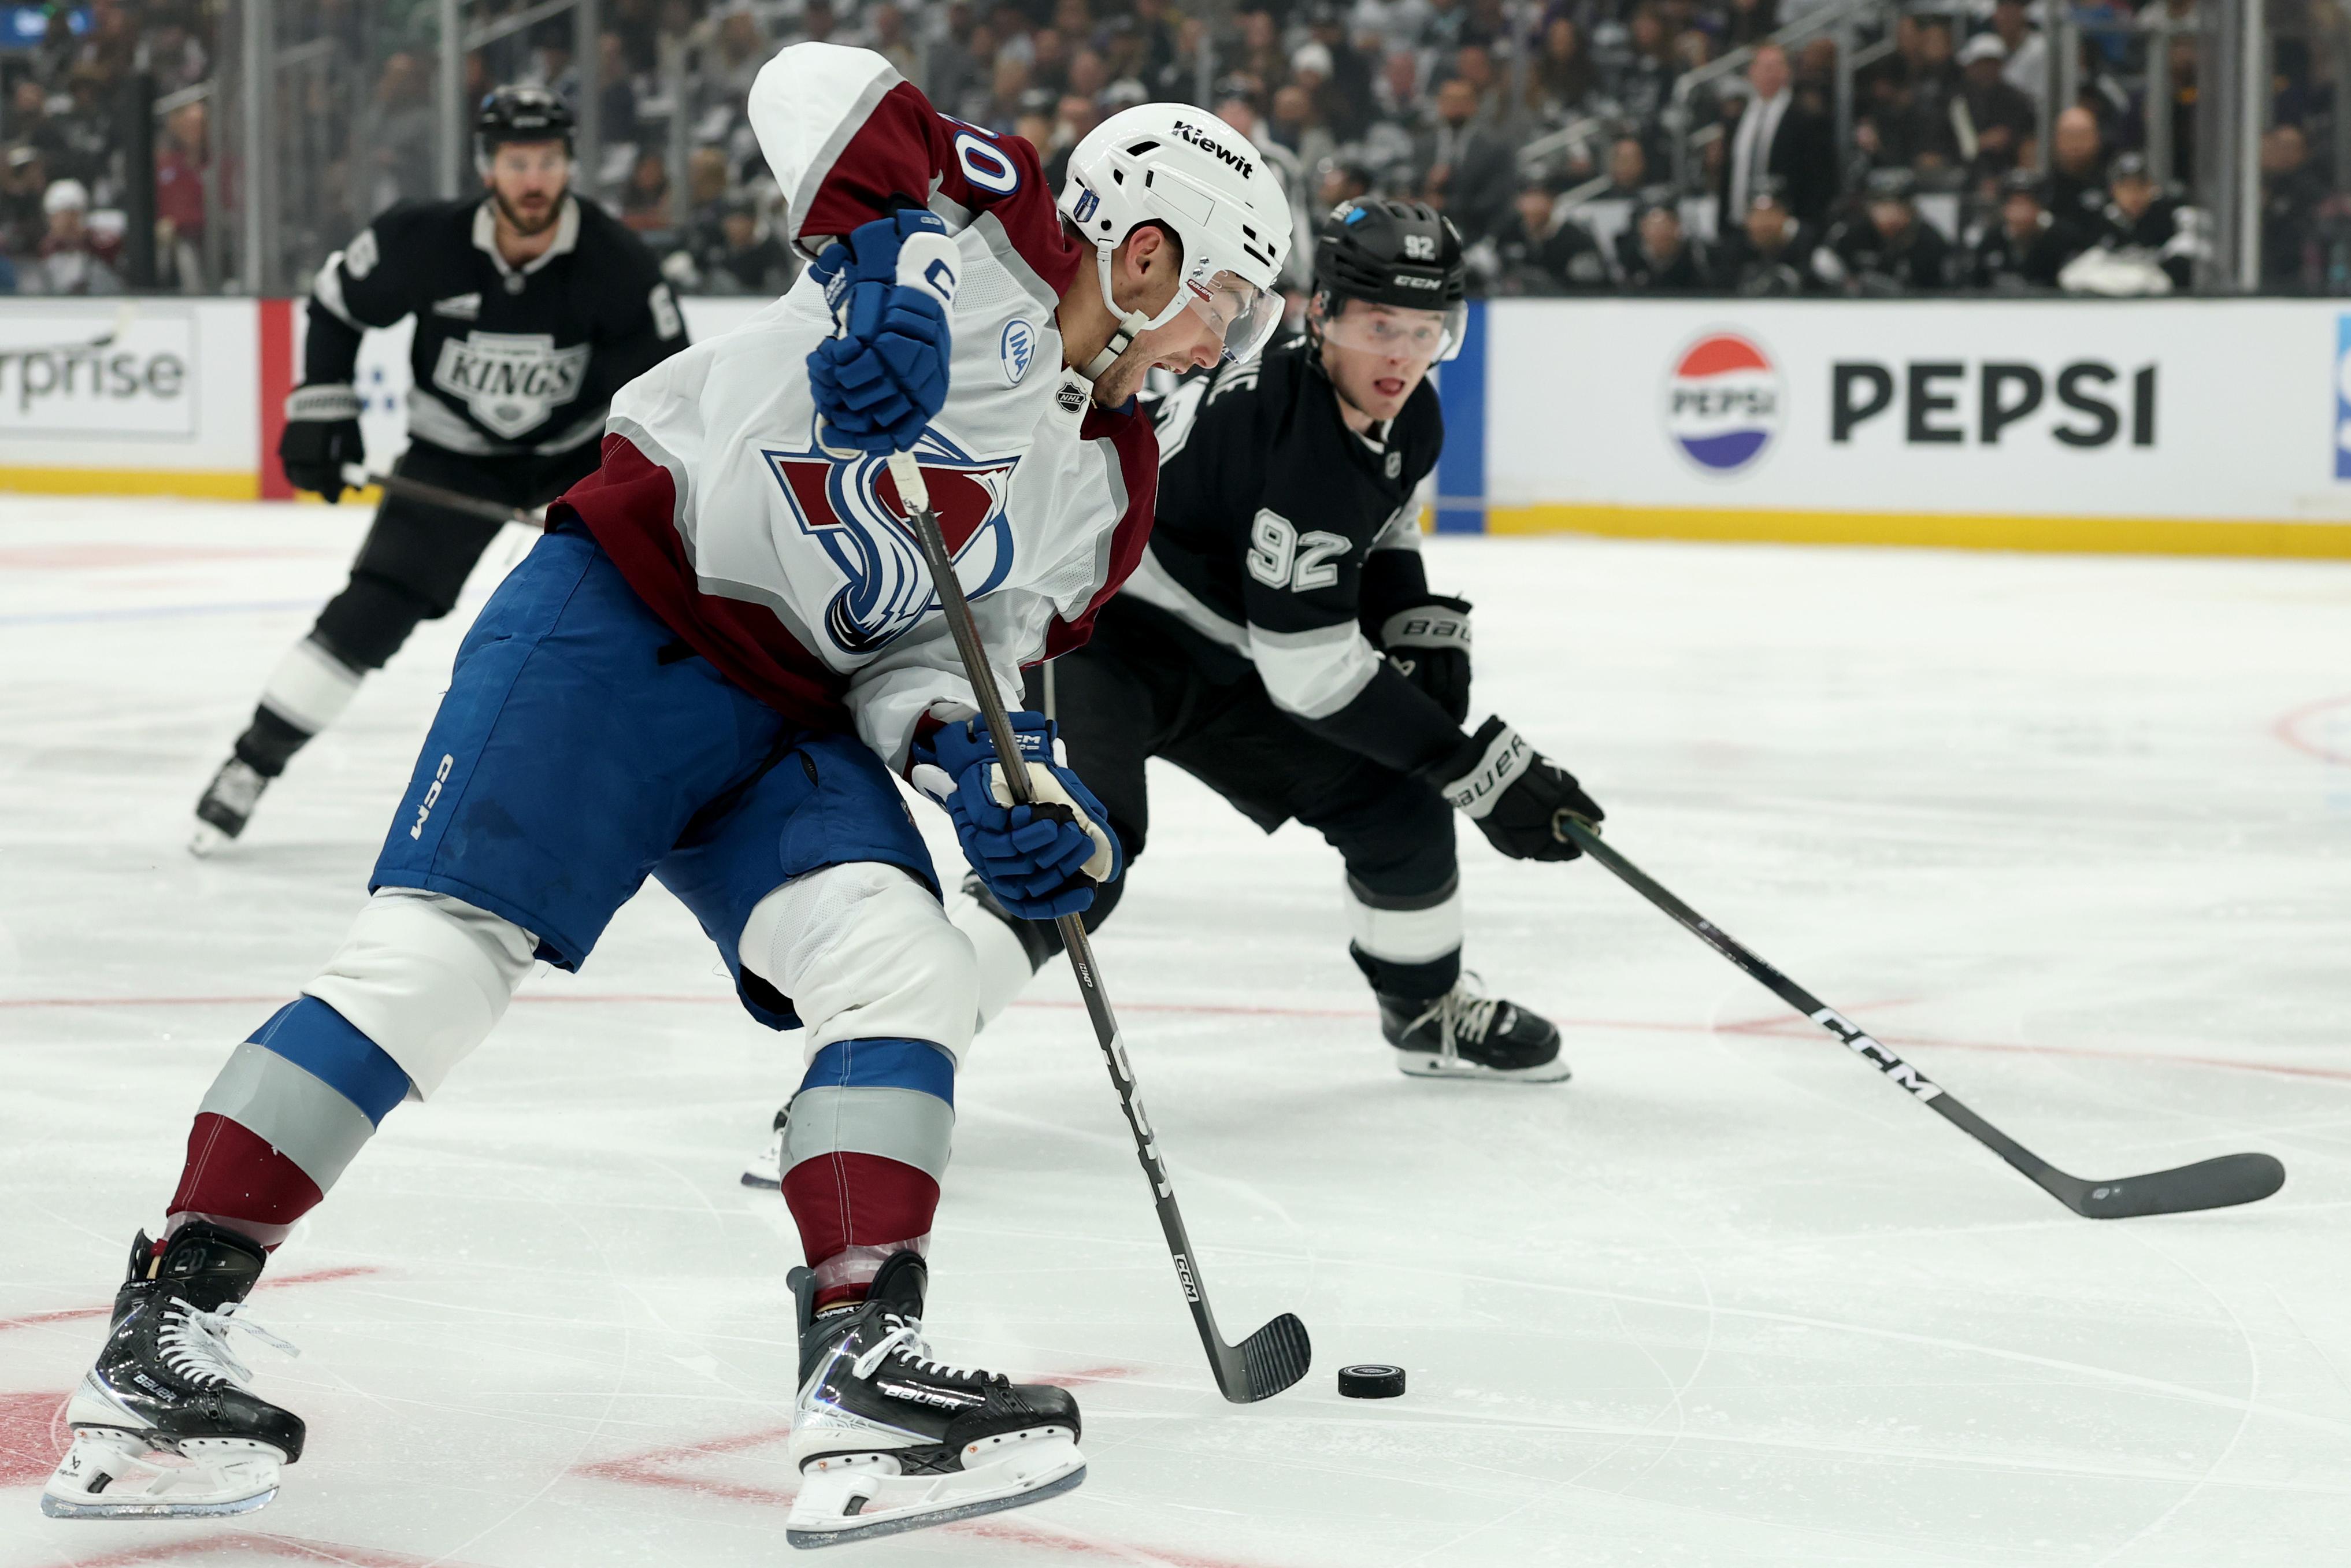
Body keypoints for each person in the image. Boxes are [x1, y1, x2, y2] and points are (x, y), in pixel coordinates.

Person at [42, 42, 1289, 1547]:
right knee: (437, 963)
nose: (1229, 340)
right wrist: (883, 266)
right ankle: (160, 1334)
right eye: (1226, 297)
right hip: (625, 608)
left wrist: (989, 779)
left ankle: (863, 1366)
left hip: (788, 711)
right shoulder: (995, 223)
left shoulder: (1110, 479)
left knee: (898, 960)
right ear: (1146, 252)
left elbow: (939, 652)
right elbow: (813, 83)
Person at [188, 87, 688, 854]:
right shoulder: (426, 239)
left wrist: (632, 498)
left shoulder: (617, 263)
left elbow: (663, 387)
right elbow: (337, 303)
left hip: (576, 459)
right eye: (517, 162)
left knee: (622, 619)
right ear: (487, 166)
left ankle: (667, 790)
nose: (533, 180)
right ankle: (250, 763)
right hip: (454, 455)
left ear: (570, 166)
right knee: (371, 611)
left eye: (548, 162)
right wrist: (321, 409)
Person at [1719, 43, 1836, 231]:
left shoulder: (1805, 119)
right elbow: (1728, 174)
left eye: (1775, 66)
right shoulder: (1737, 120)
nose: (1769, 73)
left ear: (1787, 72)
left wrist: (1807, 226)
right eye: (1763, 67)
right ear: (1751, 72)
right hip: (1740, 226)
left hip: (1788, 225)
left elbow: (1819, 177)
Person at [1814, 167, 1950, 294]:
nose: (1888, 212)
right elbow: (1824, 273)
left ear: (1911, 208)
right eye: (1881, 204)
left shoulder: (1930, 242)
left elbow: (1942, 291)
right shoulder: (1851, 236)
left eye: (1896, 204)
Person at [1967, 169, 2072, 290]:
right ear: (2004, 208)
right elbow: (1976, 286)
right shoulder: (1990, 242)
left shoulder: (2061, 241)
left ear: (2040, 207)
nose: (2021, 213)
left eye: (2027, 204)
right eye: (2015, 204)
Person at [1711, 176, 1814, 295]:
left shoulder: (1808, 250)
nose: (1763, 223)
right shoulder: (1734, 252)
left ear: (1785, 217)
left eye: (1771, 213)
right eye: (1756, 214)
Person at [1615, 193, 1712, 291]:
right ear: (1642, 229)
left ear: (1677, 226)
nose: (1661, 232)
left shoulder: (1695, 259)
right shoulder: (1631, 259)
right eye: (1654, 227)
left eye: (1666, 225)